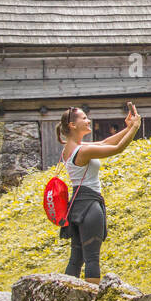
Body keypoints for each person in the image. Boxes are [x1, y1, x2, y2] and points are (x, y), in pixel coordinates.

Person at [57, 103, 141, 285]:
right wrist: (134, 128)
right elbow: (117, 148)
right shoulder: (83, 150)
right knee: (92, 259)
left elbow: (104, 143)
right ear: (72, 125)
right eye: (84, 118)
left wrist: (127, 128)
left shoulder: (70, 149)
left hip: (77, 205)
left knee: (76, 258)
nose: (88, 121)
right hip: (90, 206)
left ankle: (66, 297)